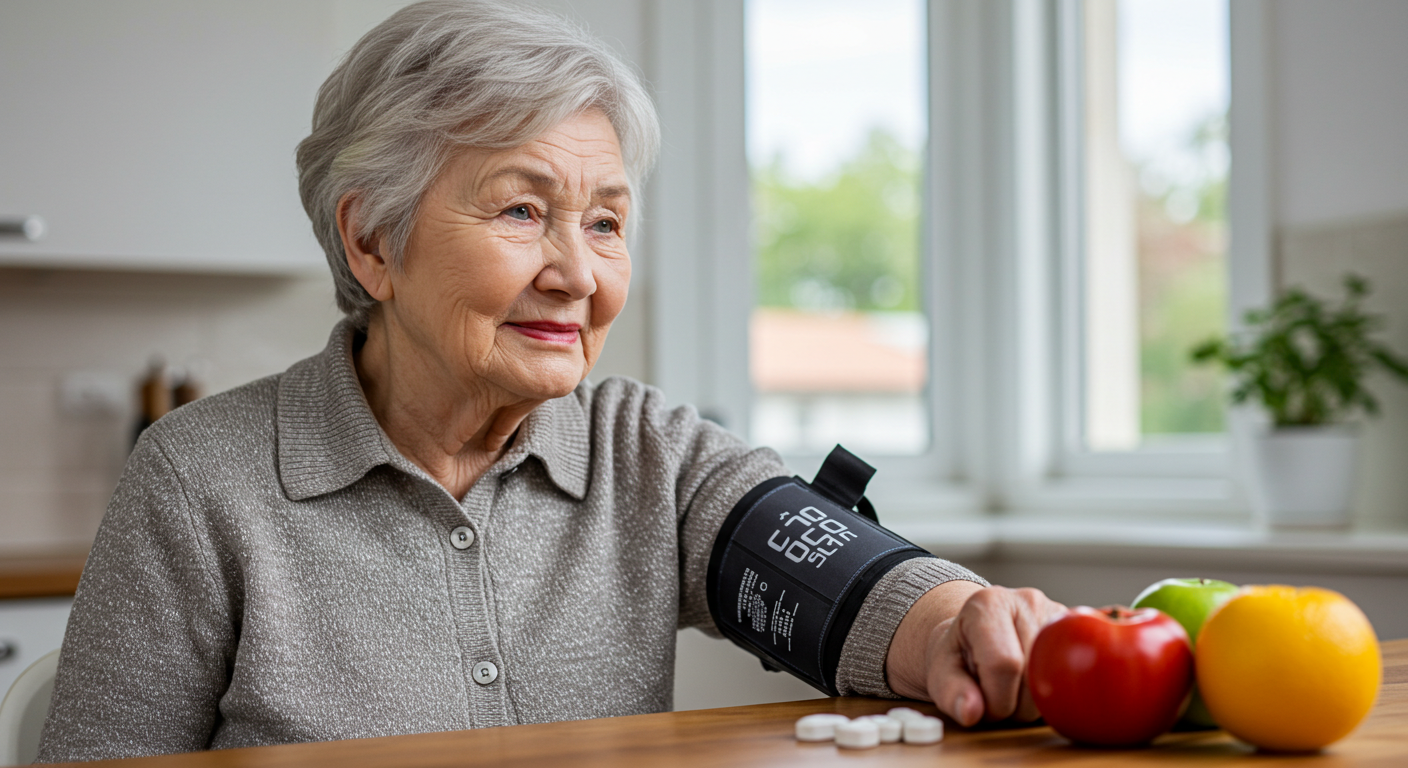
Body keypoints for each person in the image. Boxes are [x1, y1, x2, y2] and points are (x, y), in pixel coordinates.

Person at [36, 1, 1064, 762]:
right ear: (371, 241)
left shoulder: (649, 454)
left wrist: (956, 623)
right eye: (523, 211)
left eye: (607, 221)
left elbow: (828, 570)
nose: (577, 273)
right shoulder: (199, 480)